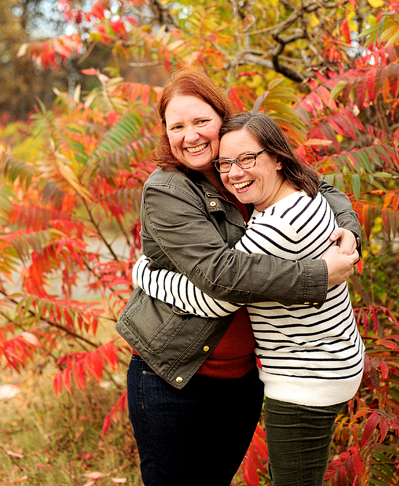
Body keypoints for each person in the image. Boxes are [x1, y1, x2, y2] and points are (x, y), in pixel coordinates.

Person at [115, 68, 361, 486]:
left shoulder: (242, 164)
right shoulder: (168, 189)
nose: (190, 136)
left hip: (242, 379)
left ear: (221, 118)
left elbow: (322, 187)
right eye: (177, 126)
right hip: (179, 378)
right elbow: (221, 276)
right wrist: (318, 275)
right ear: (165, 134)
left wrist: (348, 234)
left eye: (200, 121)